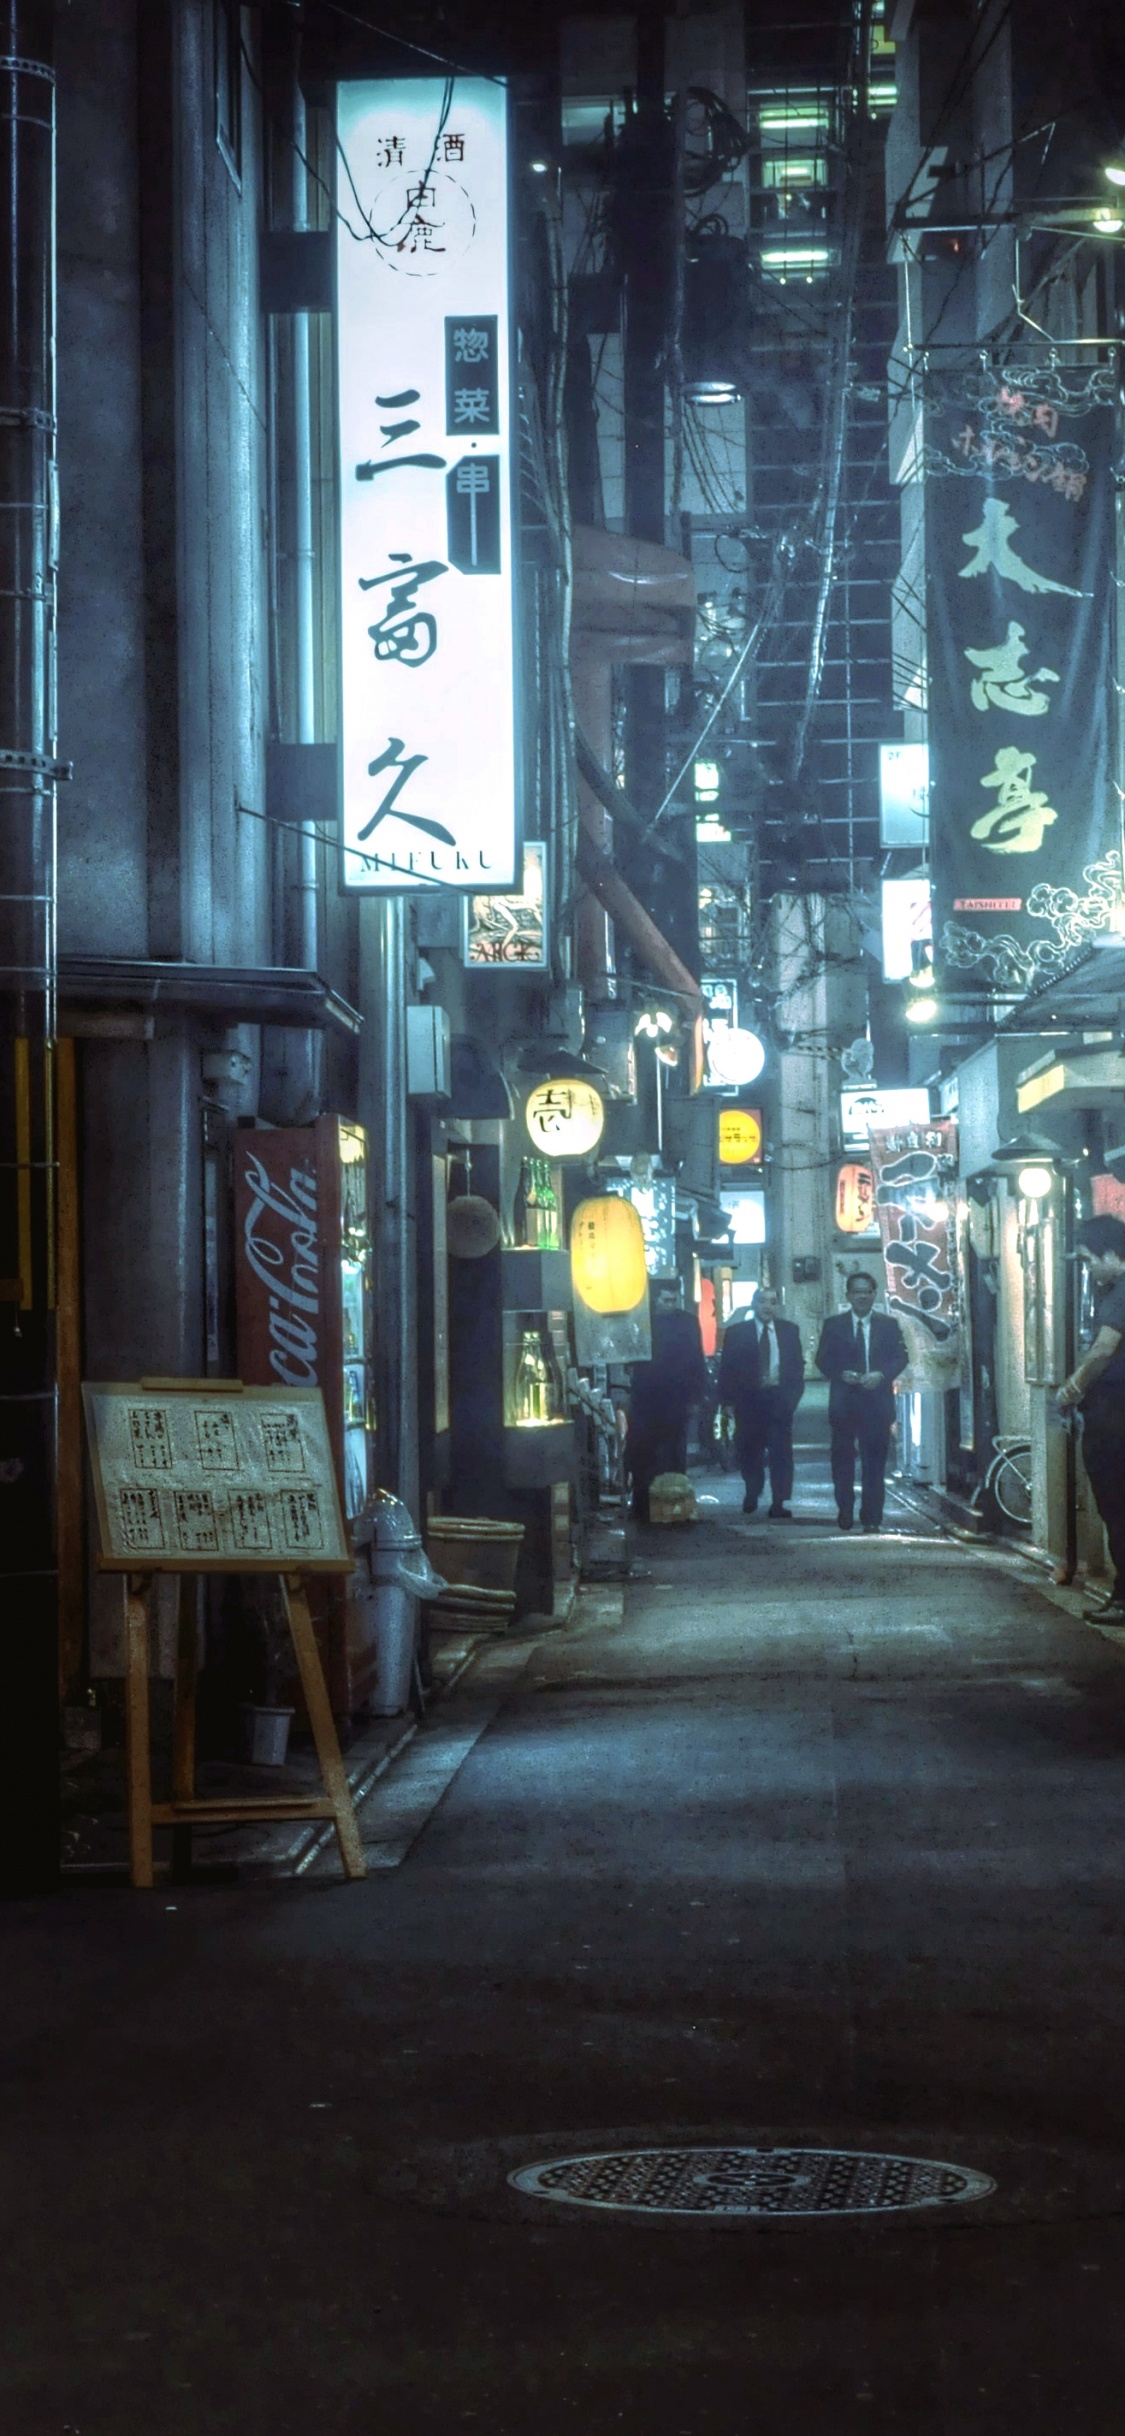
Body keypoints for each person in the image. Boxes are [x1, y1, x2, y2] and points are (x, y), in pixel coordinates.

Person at [1056, 1213, 1125, 1622]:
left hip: (1114, 1417)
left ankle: (1123, 1599)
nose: (1087, 1269)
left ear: (1111, 1253)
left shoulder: (1119, 1294)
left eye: (1087, 1260)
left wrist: (1070, 1389)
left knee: (1117, 1507)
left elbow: (1102, 1350)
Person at [815, 1270, 908, 1533]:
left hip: (877, 1401)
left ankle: (872, 1516)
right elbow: (822, 1359)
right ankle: (845, 1508)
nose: (862, 1297)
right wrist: (840, 1373)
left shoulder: (888, 1325)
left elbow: (900, 1357)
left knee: (874, 1463)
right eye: (857, 1292)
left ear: (874, 1294)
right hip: (845, 1401)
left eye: (867, 1291)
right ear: (848, 1295)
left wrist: (882, 1374)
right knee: (843, 1460)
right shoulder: (834, 1325)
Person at [717, 1285, 804, 1517]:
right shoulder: (737, 1333)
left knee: (781, 1453)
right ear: (754, 1305)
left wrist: (792, 1398)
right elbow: (726, 1369)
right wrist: (727, 1401)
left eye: (772, 1302)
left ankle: (779, 1501)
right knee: (750, 1449)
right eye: (763, 1301)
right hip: (749, 1400)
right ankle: (752, 1491)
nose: (768, 1306)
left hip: (779, 1399)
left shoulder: (789, 1331)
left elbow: (797, 1367)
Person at [626, 1282, 708, 1523]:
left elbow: (696, 1357)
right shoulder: (642, 1321)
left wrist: (696, 1395)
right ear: (655, 1300)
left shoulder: (686, 1322)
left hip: (674, 1397)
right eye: (666, 1300)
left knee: (673, 1452)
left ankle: (674, 1505)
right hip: (647, 1397)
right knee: (644, 1452)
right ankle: (644, 1506)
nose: (670, 1305)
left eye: (673, 1300)